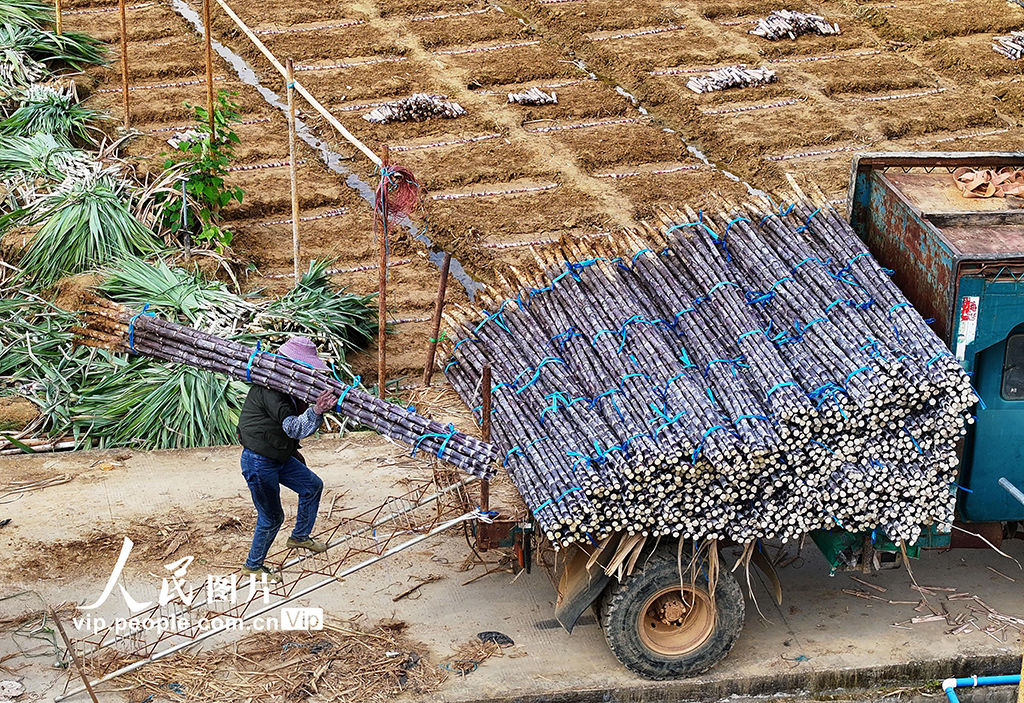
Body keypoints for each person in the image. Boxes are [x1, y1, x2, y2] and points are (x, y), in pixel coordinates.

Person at [236, 336, 338, 582]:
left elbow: (288, 431)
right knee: (272, 517)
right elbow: (293, 427)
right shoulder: (271, 391)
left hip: (278, 456)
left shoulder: (291, 389)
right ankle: (253, 566)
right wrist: (316, 411)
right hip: (259, 462)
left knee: (312, 486)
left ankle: (299, 537)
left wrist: (293, 450)